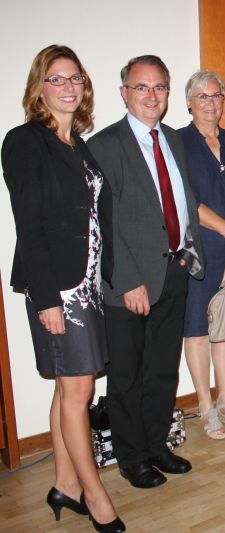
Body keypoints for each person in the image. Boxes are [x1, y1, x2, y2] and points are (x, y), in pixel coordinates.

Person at [2, 44, 124, 532]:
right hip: (60, 289)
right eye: (56, 79)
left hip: (87, 285)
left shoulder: (78, 143)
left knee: (67, 389)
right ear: (39, 87)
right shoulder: (25, 141)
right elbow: (28, 225)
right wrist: (48, 298)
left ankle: (65, 485)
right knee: (80, 390)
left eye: (75, 78)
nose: (68, 86)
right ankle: (96, 497)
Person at [88, 55, 205, 490]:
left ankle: (157, 445)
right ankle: (131, 457)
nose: (151, 95)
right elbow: (104, 224)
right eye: (141, 87)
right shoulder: (105, 145)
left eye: (158, 87)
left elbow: (181, 201)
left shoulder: (173, 140)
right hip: (130, 284)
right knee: (127, 376)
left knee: (161, 369)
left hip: (173, 271)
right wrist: (125, 281)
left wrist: (189, 252)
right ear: (124, 93)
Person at [178, 70, 225, 440]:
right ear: (190, 102)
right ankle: (205, 406)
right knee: (196, 329)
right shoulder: (177, 142)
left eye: (216, 95)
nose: (211, 102)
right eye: (203, 96)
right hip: (200, 250)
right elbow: (186, 201)